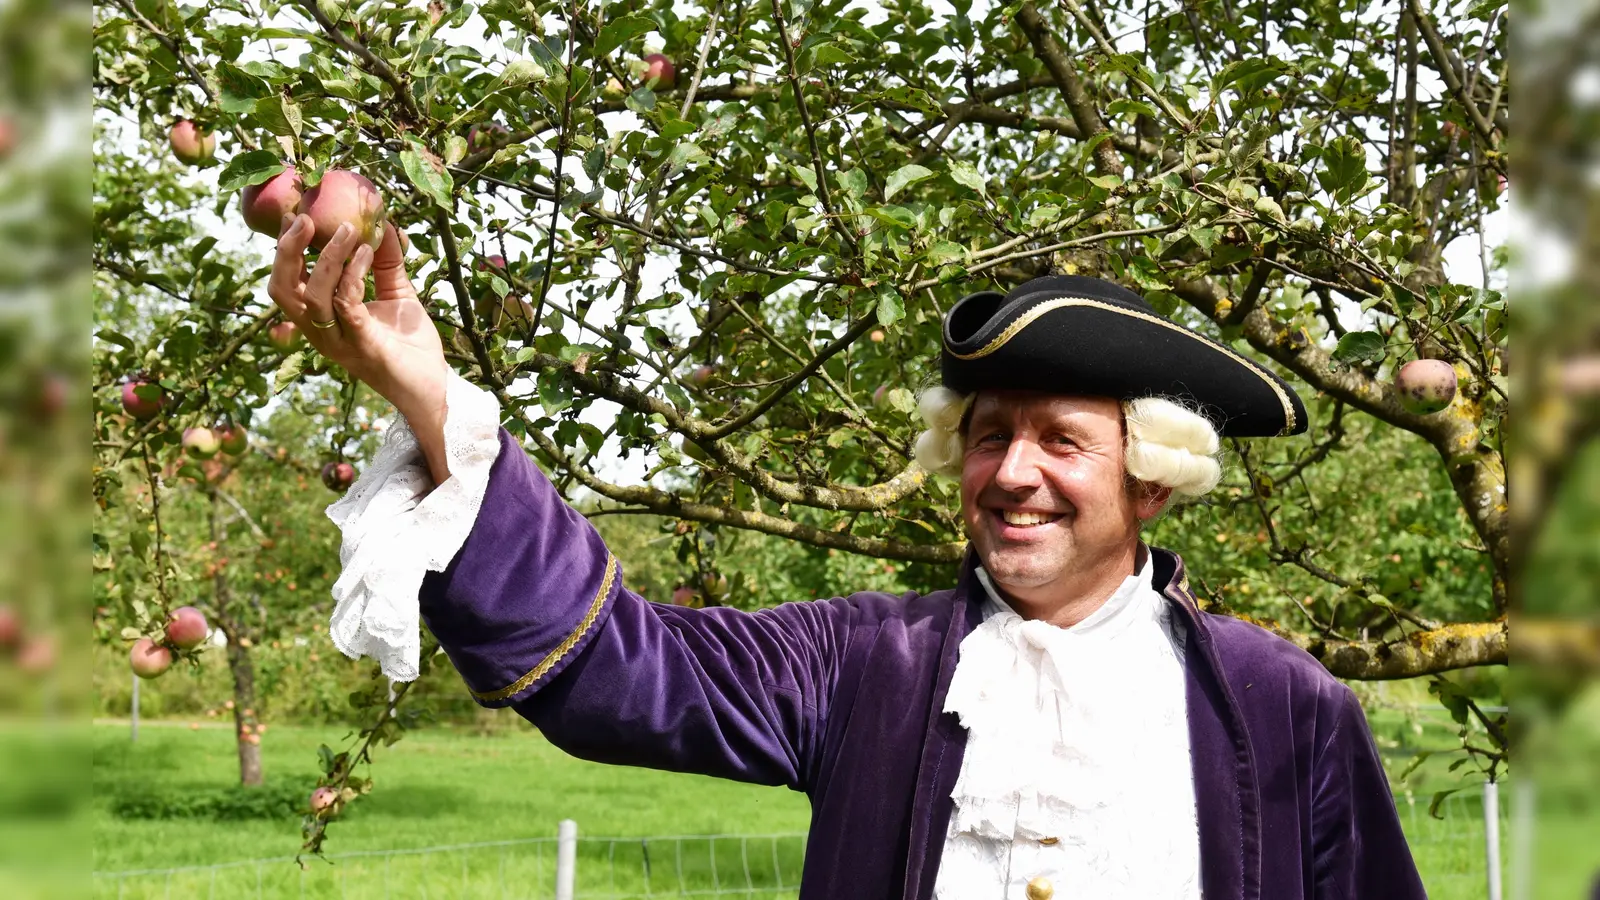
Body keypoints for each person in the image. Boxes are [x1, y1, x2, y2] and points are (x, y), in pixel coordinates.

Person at [269, 214, 1427, 900]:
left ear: (1151, 478)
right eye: (987, 438)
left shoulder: (1283, 704)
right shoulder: (867, 659)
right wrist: (430, 392)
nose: (1013, 472)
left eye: (1061, 440)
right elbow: (614, 670)